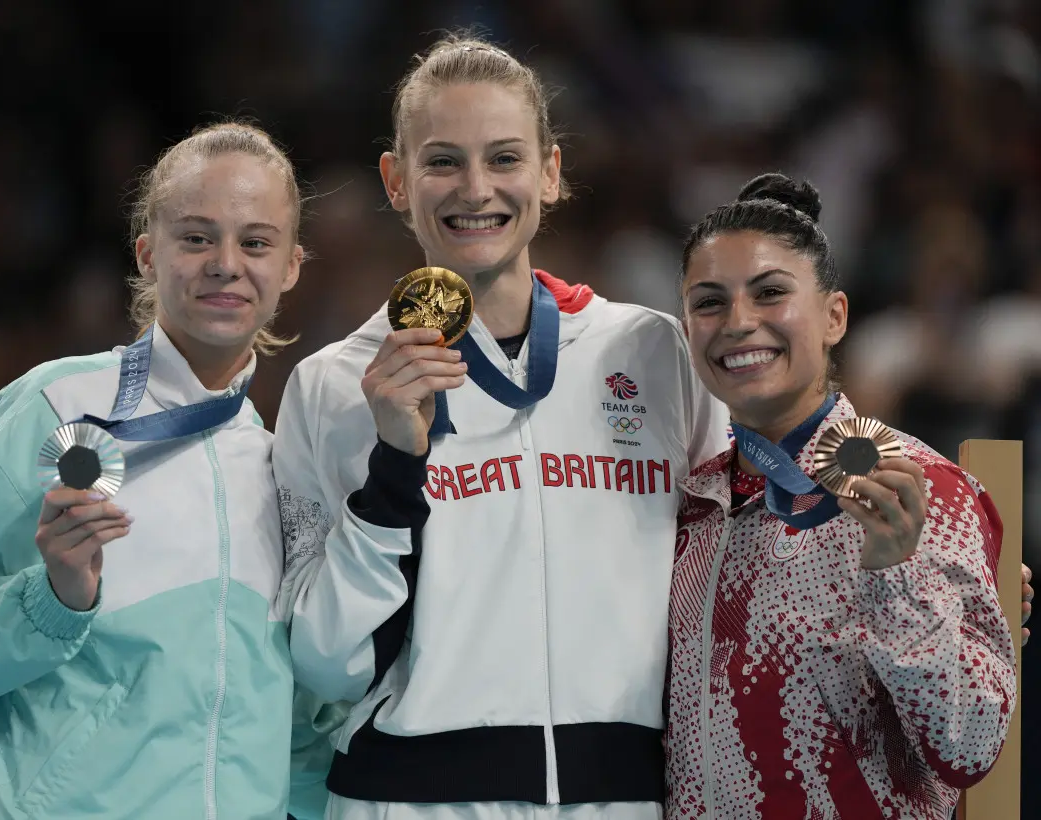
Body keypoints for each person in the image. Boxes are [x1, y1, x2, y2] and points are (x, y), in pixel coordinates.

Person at [273, 34, 728, 819]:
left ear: (551, 174)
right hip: (408, 802)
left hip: (622, 799)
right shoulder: (332, 387)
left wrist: (939, 552)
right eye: (443, 161)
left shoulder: (657, 354)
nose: (475, 188)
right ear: (396, 179)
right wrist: (392, 473)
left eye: (505, 158)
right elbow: (325, 665)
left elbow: (748, 542)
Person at [0, 121, 338, 820]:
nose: (226, 262)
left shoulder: (282, 467)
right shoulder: (56, 407)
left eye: (256, 241)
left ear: (289, 267)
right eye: (196, 237)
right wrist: (54, 601)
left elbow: (291, 732)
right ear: (147, 254)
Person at [667, 173, 1017, 818]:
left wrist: (899, 579)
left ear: (835, 317)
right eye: (709, 302)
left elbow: (968, 745)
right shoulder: (694, 507)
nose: (739, 323)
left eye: (770, 293)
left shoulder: (919, 487)